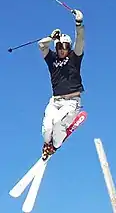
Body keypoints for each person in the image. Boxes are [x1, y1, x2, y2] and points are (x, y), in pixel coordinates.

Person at [38, 9, 85, 160]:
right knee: (47, 129)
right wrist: (51, 38)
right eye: (59, 47)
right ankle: (47, 144)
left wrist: (79, 23)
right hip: (55, 101)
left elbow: (81, 40)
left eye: (64, 47)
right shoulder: (52, 59)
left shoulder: (74, 57)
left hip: (71, 101)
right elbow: (41, 45)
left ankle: (55, 145)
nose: (61, 50)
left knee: (58, 123)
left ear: (68, 47)